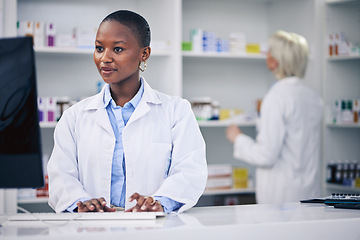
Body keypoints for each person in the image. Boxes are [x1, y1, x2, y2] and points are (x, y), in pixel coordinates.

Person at [47, 10, 207, 213]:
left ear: (144, 54)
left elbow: (190, 170)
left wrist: (159, 203)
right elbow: (61, 175)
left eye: (118, 49)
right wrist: (80, 203)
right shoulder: (74, 116)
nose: (105, 58)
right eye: (99, 48)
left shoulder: (176, 112)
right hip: (92, 228)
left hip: (154, 227)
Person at [226, 30, 323, 204]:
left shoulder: (277, 96)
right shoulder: (313, 96)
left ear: (274, 61)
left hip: (282, 197)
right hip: (310, 192)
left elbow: (266, 156)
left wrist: (238, 138)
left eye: (269, 51)